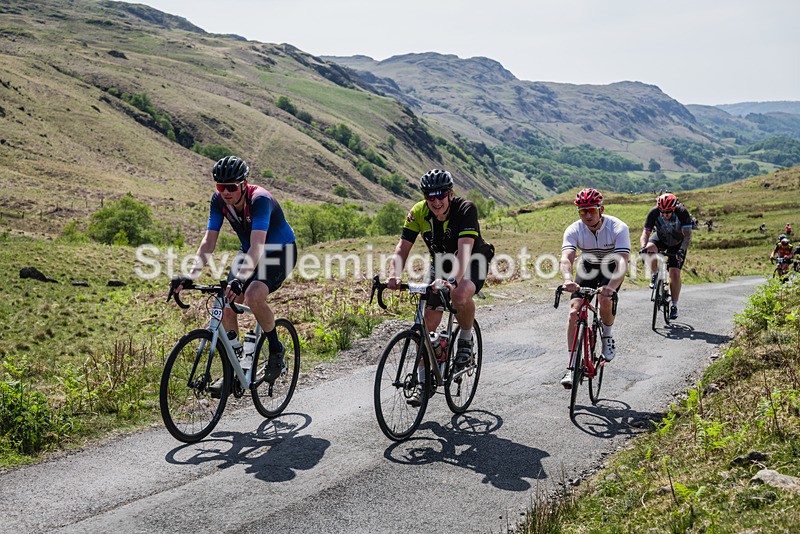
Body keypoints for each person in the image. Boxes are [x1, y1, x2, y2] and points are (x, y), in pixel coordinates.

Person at [173, 155, 297, 385]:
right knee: (226, 301)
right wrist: (191, 275)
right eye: (221, 187)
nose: (226, 192)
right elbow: (208, 242)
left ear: (244, 183)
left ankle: (276, 349)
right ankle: (236, 366)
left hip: (280, 252)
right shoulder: (218, 201)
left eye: (231, 187)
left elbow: (258, 245)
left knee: (252, 295)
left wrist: (240, 279)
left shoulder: (260, 200)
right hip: (250, 251)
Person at [387, 169, 495, 404]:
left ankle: (465, 340)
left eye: (440, 195)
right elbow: (402, 247)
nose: (435, 201)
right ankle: (424, 381)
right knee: (425, 324)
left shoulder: (465, 209)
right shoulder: (418, 212)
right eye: (430, 196)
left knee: (459, 294)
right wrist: (394, 276)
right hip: (441, 263)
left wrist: (454, 280)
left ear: (450, 193)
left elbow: (465, 250)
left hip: (473, 258)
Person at [559, 188, 630, 389]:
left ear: (601, 209)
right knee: (574, 312)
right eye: (583, 212)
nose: (587, 215)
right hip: (588, 267)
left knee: (606, 300)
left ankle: (607, 334)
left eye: (591, 210)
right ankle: (572, 366)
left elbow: (622, 263)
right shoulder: (574, 229)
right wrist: (567, 280)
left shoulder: (618, 227)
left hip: (611, 267)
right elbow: (567, 258)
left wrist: (611, 287)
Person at [640, 193, 693, 320]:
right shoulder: (654, 212)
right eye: (662, 212)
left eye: (667, 212)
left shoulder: (682, 212)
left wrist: (681, 250)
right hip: (661, 238)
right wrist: (643, 247)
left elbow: (687, 236)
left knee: (674, 273)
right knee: (648, 249)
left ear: (674, 208)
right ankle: (655, 274)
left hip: (677, 243)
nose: (664, 215)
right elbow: (646, 232)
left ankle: (674, 305)